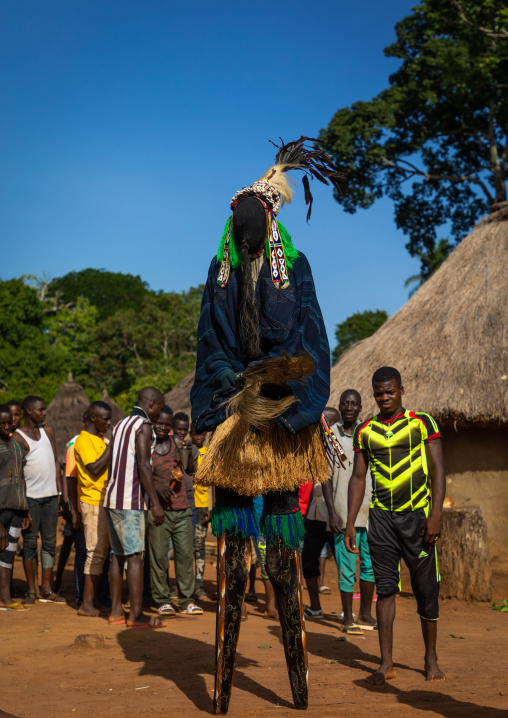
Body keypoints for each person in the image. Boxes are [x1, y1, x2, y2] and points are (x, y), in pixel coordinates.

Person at [190, 137, 347, 713]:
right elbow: (210, 341)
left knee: (281, 556)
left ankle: (298, 688)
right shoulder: (220, 269)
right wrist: (236, 384)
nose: (246, 236)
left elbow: (312, 341)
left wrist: (283, 388)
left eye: (254, 228)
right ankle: (223, 690)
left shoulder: (296, 268)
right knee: (233, 561)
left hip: (283, 423)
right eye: (240, 228)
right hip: (239, 416)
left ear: (269, 224)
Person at [345, 366, 445, 684]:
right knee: (385, 589)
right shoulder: (366, 431)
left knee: (426, 591)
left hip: (417, 517)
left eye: (390, 391)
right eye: (379, 392)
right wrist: (350, 521)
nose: (384, 397)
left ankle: (430, 657)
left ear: (402, 389)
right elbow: (358, 478)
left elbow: (438, 471)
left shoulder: (421, 422)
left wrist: (436, 515)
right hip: (381, 520)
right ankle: (386, 663)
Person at [103, 387, 166, 628]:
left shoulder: (119, 425)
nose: (160, 413)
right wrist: (156, 503)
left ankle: (116, 610)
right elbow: (144, 466)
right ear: (151, 405)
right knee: (136, 557)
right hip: (130, 501)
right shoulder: (144, 427)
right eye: (159, 408)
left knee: (117, 556)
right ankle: (136, 614)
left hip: (112, 498)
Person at [147, 406, 202, 616]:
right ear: (153, 423)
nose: (163, 427)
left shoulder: (177, 445)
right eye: (159, 423)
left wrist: (186, 451)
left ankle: (186, 600)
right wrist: (155, 489)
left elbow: (188, 470)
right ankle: (162, 600)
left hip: (182, 509)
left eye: (167, 424)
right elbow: (141, 475)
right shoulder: (147, 447)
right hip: (158, 511)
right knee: (159, 557)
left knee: (185, 556)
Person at [13, 396, 66, 605]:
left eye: (44, 409)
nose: (44, 412)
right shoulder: (18, 438)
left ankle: (47, 588)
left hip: (51, 497)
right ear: (28, 411)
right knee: (29, 543)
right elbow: (18, 475)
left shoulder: (48, 432)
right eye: (40, 410)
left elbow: (55, 461)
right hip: (31, 499)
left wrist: (59, 493)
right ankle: (32, 591)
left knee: (50, 543)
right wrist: (23, 505)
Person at [331, 390, 376, 634]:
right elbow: (326, 479)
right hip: (342, 511)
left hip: (369, 511)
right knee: (346, 567)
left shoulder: (368, 432)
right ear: (339, 407)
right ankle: (348, 617)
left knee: (370, 565)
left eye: (353, 404)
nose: (349, 407)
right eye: (345, 403)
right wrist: (332, 513)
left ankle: (366, 614)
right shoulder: (331, 436)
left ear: (360, 408)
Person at [301, 406, 342, 619]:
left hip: (335, 516)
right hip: (313, 515)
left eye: (329, 423)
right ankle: (315, 607)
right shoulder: (310, 448)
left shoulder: (343, 449)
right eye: (322, 423)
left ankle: (348, 611)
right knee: (308, 560)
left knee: (344, 563)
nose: (324, 427)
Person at [74, 401, 112, 616]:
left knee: (101, 555)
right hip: (93, 501)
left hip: (103, 501)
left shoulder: (98, 439)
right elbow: (95, 469)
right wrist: (112, 447)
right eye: (105, 418)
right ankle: (86, 605)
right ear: (92, 418)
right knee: (95, 554)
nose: (109, 422)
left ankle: (92, 602)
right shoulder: (83, 441)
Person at [0, 405, 30, 610]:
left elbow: (21, 476)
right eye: (1, 423)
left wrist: (26, 509)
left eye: (9, 422)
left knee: (9, 553)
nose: (6, 426)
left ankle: (5, 598)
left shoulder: (18, 446)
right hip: (1, 510)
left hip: (17, 508)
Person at [190, 423, 210, 599]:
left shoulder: (209, 454)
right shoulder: (185, 451)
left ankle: (199, 585)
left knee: (200, 546)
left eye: (201, 433)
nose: (198, 436)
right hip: (187, 505)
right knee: (185, 546)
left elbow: (213, 484)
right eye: (195, 433)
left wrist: (210, 508)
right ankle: (186, 585)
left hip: (202, 505)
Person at [172, 412, 197, 531]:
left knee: (187, 545)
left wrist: (190, 453)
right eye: (179, 429)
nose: (182, 433)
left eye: (185, 430)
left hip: (188, 501)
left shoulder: (192, 448)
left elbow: (191, 471)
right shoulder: (166, 446)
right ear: (172, 428)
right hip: (171, 500)